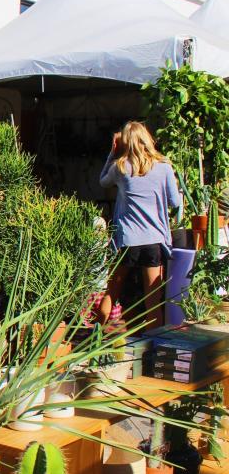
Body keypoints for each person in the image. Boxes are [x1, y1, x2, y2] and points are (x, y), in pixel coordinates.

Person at [97, 121, 182, 331]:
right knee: (153, 298)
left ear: (125, 142)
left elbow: (103, 182)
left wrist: (112, 153)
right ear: (147, 139)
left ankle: (93, 341)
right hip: (153, 240)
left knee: (112, 292)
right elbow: (175, 202)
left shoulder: (120, 167)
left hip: (127, 240)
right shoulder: (164, 167)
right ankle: (155, 346)